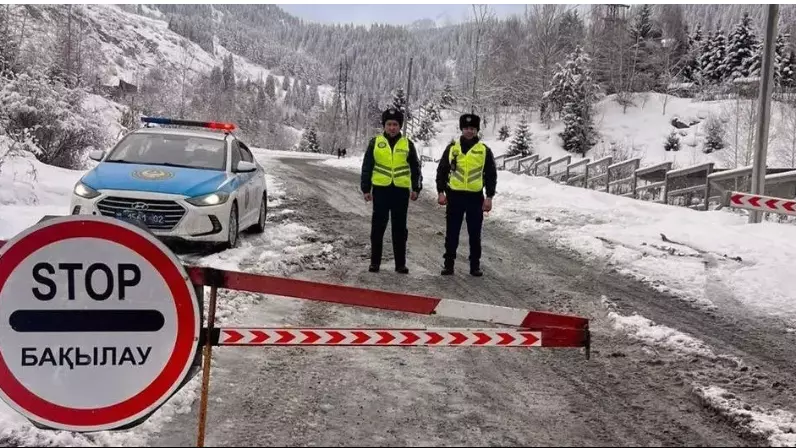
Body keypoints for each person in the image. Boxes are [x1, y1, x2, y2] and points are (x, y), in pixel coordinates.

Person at [361, 108, 422, 274]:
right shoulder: (375, 143)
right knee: (378, 228)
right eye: (389, 124)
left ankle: (400, 264)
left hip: (400, 192)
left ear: (400, 126)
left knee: (400, 229)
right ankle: (375, 263)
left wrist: (416, 188)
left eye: (395, 124)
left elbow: (415, 168)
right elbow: (367, 166)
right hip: (381, 190)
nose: (392, 127)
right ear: (384, 125)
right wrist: (366, 188)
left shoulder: (407, 144)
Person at [436, 113, 497, 277]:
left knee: (475, 233)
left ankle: (475, 265)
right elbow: (442, 170)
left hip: (475, 198)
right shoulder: (452, 148)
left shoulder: (484, 151)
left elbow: (491, 175)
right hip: (454, 196)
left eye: (472, 128)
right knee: (452, 232)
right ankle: (448, 264)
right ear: (461, 129)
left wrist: (489, 197)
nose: (469, 131)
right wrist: (440, 192)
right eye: (466, 128)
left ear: (477, 130)